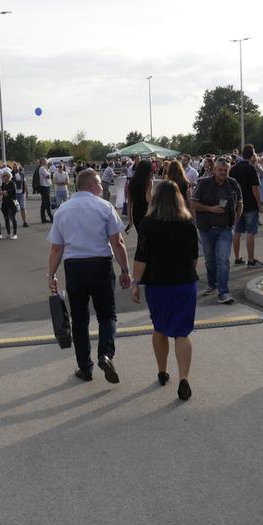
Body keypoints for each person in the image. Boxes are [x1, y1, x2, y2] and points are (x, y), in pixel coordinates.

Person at [47, 169, 131, 383]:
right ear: (92, 186)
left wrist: (51, 274)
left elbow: (56, 248)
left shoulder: (63, 210)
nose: (102, 188)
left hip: (74, 266)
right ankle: (105, 354)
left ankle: (85, 367)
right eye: (100, 184)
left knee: (79, 319)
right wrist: (125, 270)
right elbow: (117, 242)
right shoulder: (104, 206)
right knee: (107, 314)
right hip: (100, 264)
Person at [131, 181, 198, 399]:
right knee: (182, 332)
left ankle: (162, 371)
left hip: (157, 285)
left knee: (159, 328)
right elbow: (194, 257)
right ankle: (184, 378)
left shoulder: (147, 223)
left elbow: (141, 256)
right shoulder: (188, 222)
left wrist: (135, 282)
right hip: (184, 283)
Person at [191, 158, 242, 304]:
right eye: (220, 170)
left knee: (223, 260)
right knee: (210, 260)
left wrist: (235, 220)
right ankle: (212, 284)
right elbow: (193, 203)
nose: (223, 172)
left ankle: (223, 292)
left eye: (225, 170)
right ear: (214, 170)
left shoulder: (233, 183)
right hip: (206, 229)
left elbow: (240, 203)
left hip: (225, 229)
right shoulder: (203, 183)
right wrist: (210, 209)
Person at [230, 146, 263, 267]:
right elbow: (255, 188)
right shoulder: (251, 169)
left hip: (237, 205)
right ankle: (251, 259)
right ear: (252, 155)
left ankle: (237, 257)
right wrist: (259, 204)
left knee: (237, 232)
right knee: (250, 232)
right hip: (250, 204)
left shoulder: (233, 169)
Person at [127, 160, 153, 232]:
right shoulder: (149, 182)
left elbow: (129, 203)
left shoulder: (131, 182)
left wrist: (130, 220)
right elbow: (148, 199)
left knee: (140, 234)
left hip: (136, 212)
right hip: (146, 212)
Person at [34, 158, 54, 223]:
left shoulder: (43, 168)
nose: (47, 162)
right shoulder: (42, 168)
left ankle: (43, 218)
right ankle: (51, 218)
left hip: (45, 187)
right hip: (45, 187)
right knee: (47, 203)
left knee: (44, 203)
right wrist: (50, 173)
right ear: (42, 161)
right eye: (45, 161)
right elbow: (48, 176)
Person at [0, 170, 19, 239]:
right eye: (2, 176)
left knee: (12, 218)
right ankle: (9, 233)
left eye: (4, 176)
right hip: (5, 203)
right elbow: (2, 192)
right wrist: (3, 192)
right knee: (6, 218)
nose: (3, 177)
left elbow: (10, 194)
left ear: (8, 176)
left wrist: (17, 205)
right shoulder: (3, 184)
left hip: (12, 203)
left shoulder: (12, 183)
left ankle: (15, 234)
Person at [12, 163, 30, 227]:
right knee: (15, 208)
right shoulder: (11, 174)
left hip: (22, 193)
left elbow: (24, 183)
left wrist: (27, 192)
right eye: (14, 167)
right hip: (14, 195)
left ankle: (25, 222)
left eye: (16, 167)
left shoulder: (22, 174)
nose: (15, 168)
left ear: (18, 167)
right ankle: (13, 221)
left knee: (23, 208)